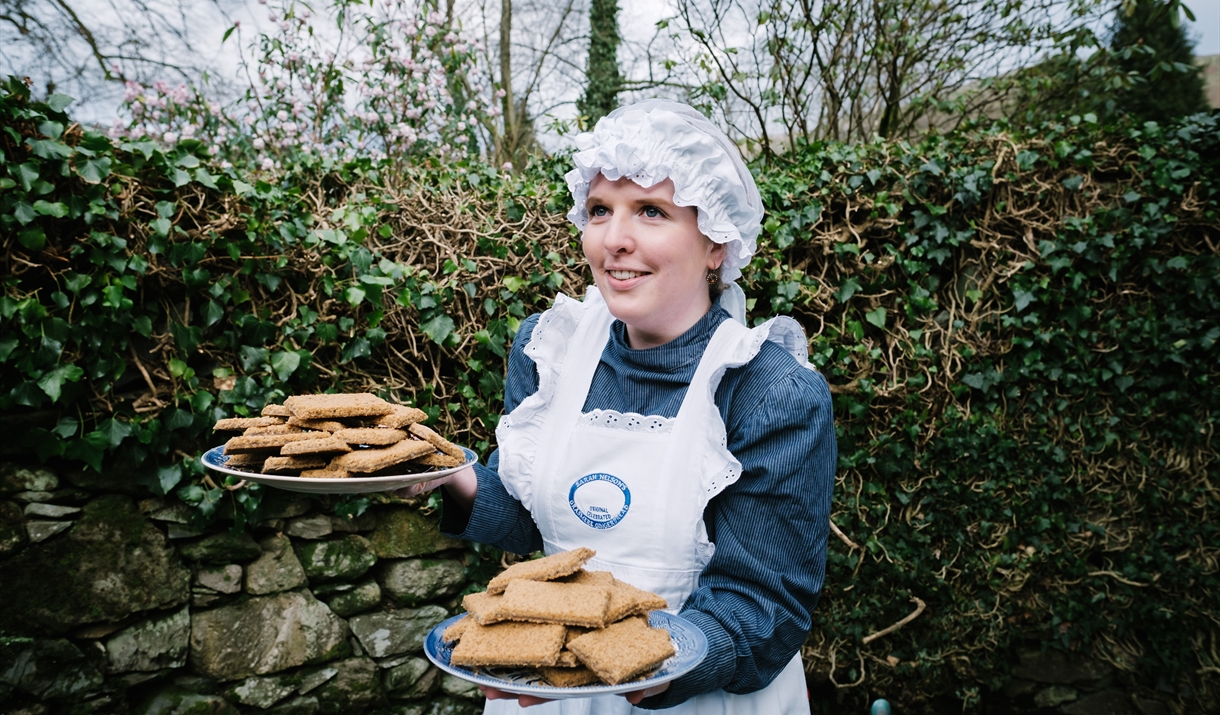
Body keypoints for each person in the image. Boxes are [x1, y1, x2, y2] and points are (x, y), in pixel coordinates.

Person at [420, 100, 836, 714]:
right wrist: (449, 473)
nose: (615, 240)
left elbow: (764, 605)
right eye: (598, 211)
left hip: (697, 696)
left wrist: (636, 664)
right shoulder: (549, 350)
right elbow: (539, 524)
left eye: (651, 211)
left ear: (716, 243)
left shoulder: (768, 391)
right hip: (549, 693)